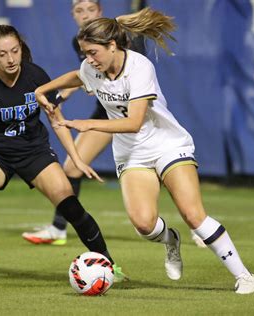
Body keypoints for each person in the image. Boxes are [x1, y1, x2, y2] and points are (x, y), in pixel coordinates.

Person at [33, 8, 254, 294]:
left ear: (112, 45)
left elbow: (134, 122)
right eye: (85, 53)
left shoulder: (139, 67)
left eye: (92, 52)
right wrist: (43, 89)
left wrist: (85, 124)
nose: (88, 59)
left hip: (167, 144)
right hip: (132, 155)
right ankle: (171, 241)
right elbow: (78, 76)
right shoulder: (93, 68)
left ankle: (244, 276)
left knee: (193, 214)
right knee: (143, 224)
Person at [0, 24, 127, 282]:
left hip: (33, 151)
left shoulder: (35, 76)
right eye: (2, 53)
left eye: (14, 50)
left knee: (69, 203)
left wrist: (76, 157)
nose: (10, 58)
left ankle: (109, 264)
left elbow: (55, 118)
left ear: (21, 48)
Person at [21, 0, 211, 248]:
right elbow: (83, 76)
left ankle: (197, 225)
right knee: (72, 169)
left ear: (100, 12)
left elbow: (129, 75)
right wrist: (59, 95)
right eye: (79, 11)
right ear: (73, 15)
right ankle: (58, 228)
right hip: (107, 114)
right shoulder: (81, 43)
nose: (85, 15)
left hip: (138, 116)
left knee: (168, 170)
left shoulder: (121, 38)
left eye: (90, 9)